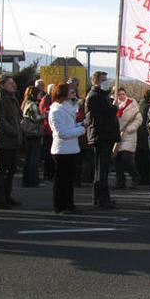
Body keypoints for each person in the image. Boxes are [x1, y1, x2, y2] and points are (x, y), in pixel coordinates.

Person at [84, 71, 120, 209]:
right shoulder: (94, 96)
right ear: (97, 81)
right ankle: (102, 199)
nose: (107, 82)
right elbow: (107, 112)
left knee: (103, 170)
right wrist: (114, 106)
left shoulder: (100, 95)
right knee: (101, 170)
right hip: (101, 135)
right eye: (104, 80)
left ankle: (101, 197)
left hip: (104, 135)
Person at [49, 83, 86, 214]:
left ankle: (69, 205)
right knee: (61, 181)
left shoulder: (68, 107)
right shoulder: (57, 110)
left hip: (71, 149)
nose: (74, 93)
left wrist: (81, 124)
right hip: (62, 150)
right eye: (71, 91)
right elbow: (62, 133)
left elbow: (70, 126)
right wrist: (81, 130)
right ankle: (59, 206)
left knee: (69, 180)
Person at [0, 75, 23, 209]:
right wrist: (14, 131)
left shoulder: (12, 98)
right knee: (1, 171)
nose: (13, 85)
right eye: (10, 83)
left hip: (13, 140)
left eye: (13, 82)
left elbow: (17, 117)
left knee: (11, 170)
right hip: (2, 141)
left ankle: (7, 196)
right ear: (2, 85)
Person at [114, 87, 142, 189]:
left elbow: (139, 119)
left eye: (123, 94)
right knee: (117, 160)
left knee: (126, 158)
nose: (121, 96)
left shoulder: (132, 104)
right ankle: (120, 182)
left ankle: (135, 177)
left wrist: (131, 128)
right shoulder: (114, 105)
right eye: (119, 94)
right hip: (117, 135)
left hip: (129, 135)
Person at [20, 86, 45, 188]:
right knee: (33, 158)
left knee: (29, 158)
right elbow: (36, 118)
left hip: (28, 133)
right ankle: (33, 181)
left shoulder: (25, 103)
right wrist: (45, 114)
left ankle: (27, 180)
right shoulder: (33, 105)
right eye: (38, 93)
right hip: (34, 133)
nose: (40, 95)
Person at [135, 89, 150, 185]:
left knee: (140, 160)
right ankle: (145, 179)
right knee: (146, 160)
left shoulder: (140, 105)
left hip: (139, 136)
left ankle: (141, 178)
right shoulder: (149, 107)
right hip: (145, 137)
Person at [39, 84, 55, 181]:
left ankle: (51, 173)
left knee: (52, 154)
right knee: (48, 154)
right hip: (47, 130)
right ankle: (47, 174)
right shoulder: (46, 99)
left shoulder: (53, 99)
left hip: (51, 130)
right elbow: (44, 112)